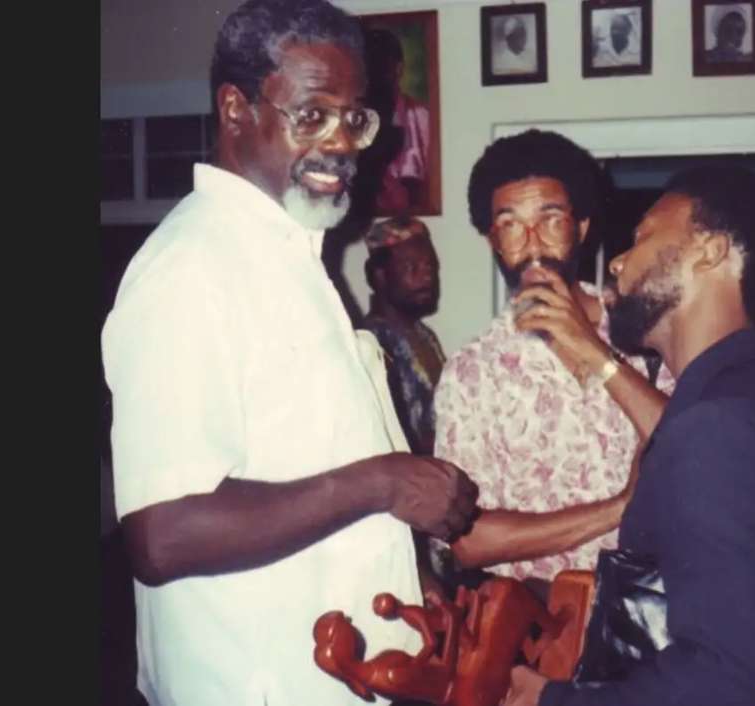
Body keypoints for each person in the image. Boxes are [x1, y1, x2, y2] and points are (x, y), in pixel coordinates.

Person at [100, 2, 478, 704]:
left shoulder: (293, 258)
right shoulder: (191, 270)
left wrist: (406, 574)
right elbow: (162, 534)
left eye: (355, 118)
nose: (342, 143)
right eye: (312, 115)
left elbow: (305, 462)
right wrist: (382, 483)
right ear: (235, 109)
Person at [505, 166, 755, 706]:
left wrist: (553, 701)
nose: (617, 261)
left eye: (643, 236)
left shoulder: (719, 426)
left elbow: (730, 684)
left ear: (711, 252)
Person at [432, 129, 674, 588]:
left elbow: (694, 445)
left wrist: (593, 351)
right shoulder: (472, 373)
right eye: (510, 225)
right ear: (492, 240)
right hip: (541, 622)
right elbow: (469, 541)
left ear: (580, 227)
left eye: (551, 219)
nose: (533, 244)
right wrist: (619, 508)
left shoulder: (648, 332)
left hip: (655, 611)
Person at [362, 216, 445, 457]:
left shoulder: (425, 336)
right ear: (380, 276)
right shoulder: (372, 344)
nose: (427, 277)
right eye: (412, 268)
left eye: (430, 267)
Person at [363, 28, 430, 212]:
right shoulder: (353, 123)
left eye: (379, 67)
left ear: (398, 69)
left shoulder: (424, 117)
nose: (372, 77)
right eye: (367, 67)